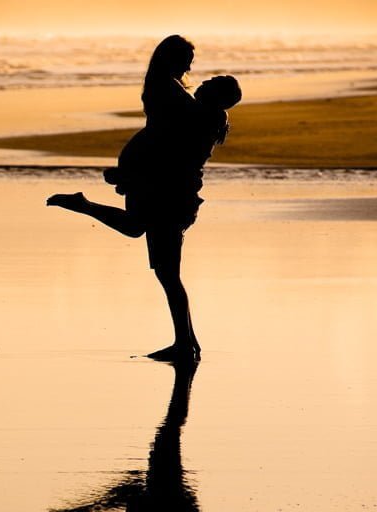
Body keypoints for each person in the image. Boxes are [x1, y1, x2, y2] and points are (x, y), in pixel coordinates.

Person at [47, 35, 241, 363]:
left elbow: (165, 149)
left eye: (212, 82)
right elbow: (159, 140)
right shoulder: (193, 110)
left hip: (171, 195)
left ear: (219, 98)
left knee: (162, 266)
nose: (199, 76)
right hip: (168, 193)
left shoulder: (197, 115)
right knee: (165, 269)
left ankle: (185, 343)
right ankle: (187, 342)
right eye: (195, 67)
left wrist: (130, 174)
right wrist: (131, 173)